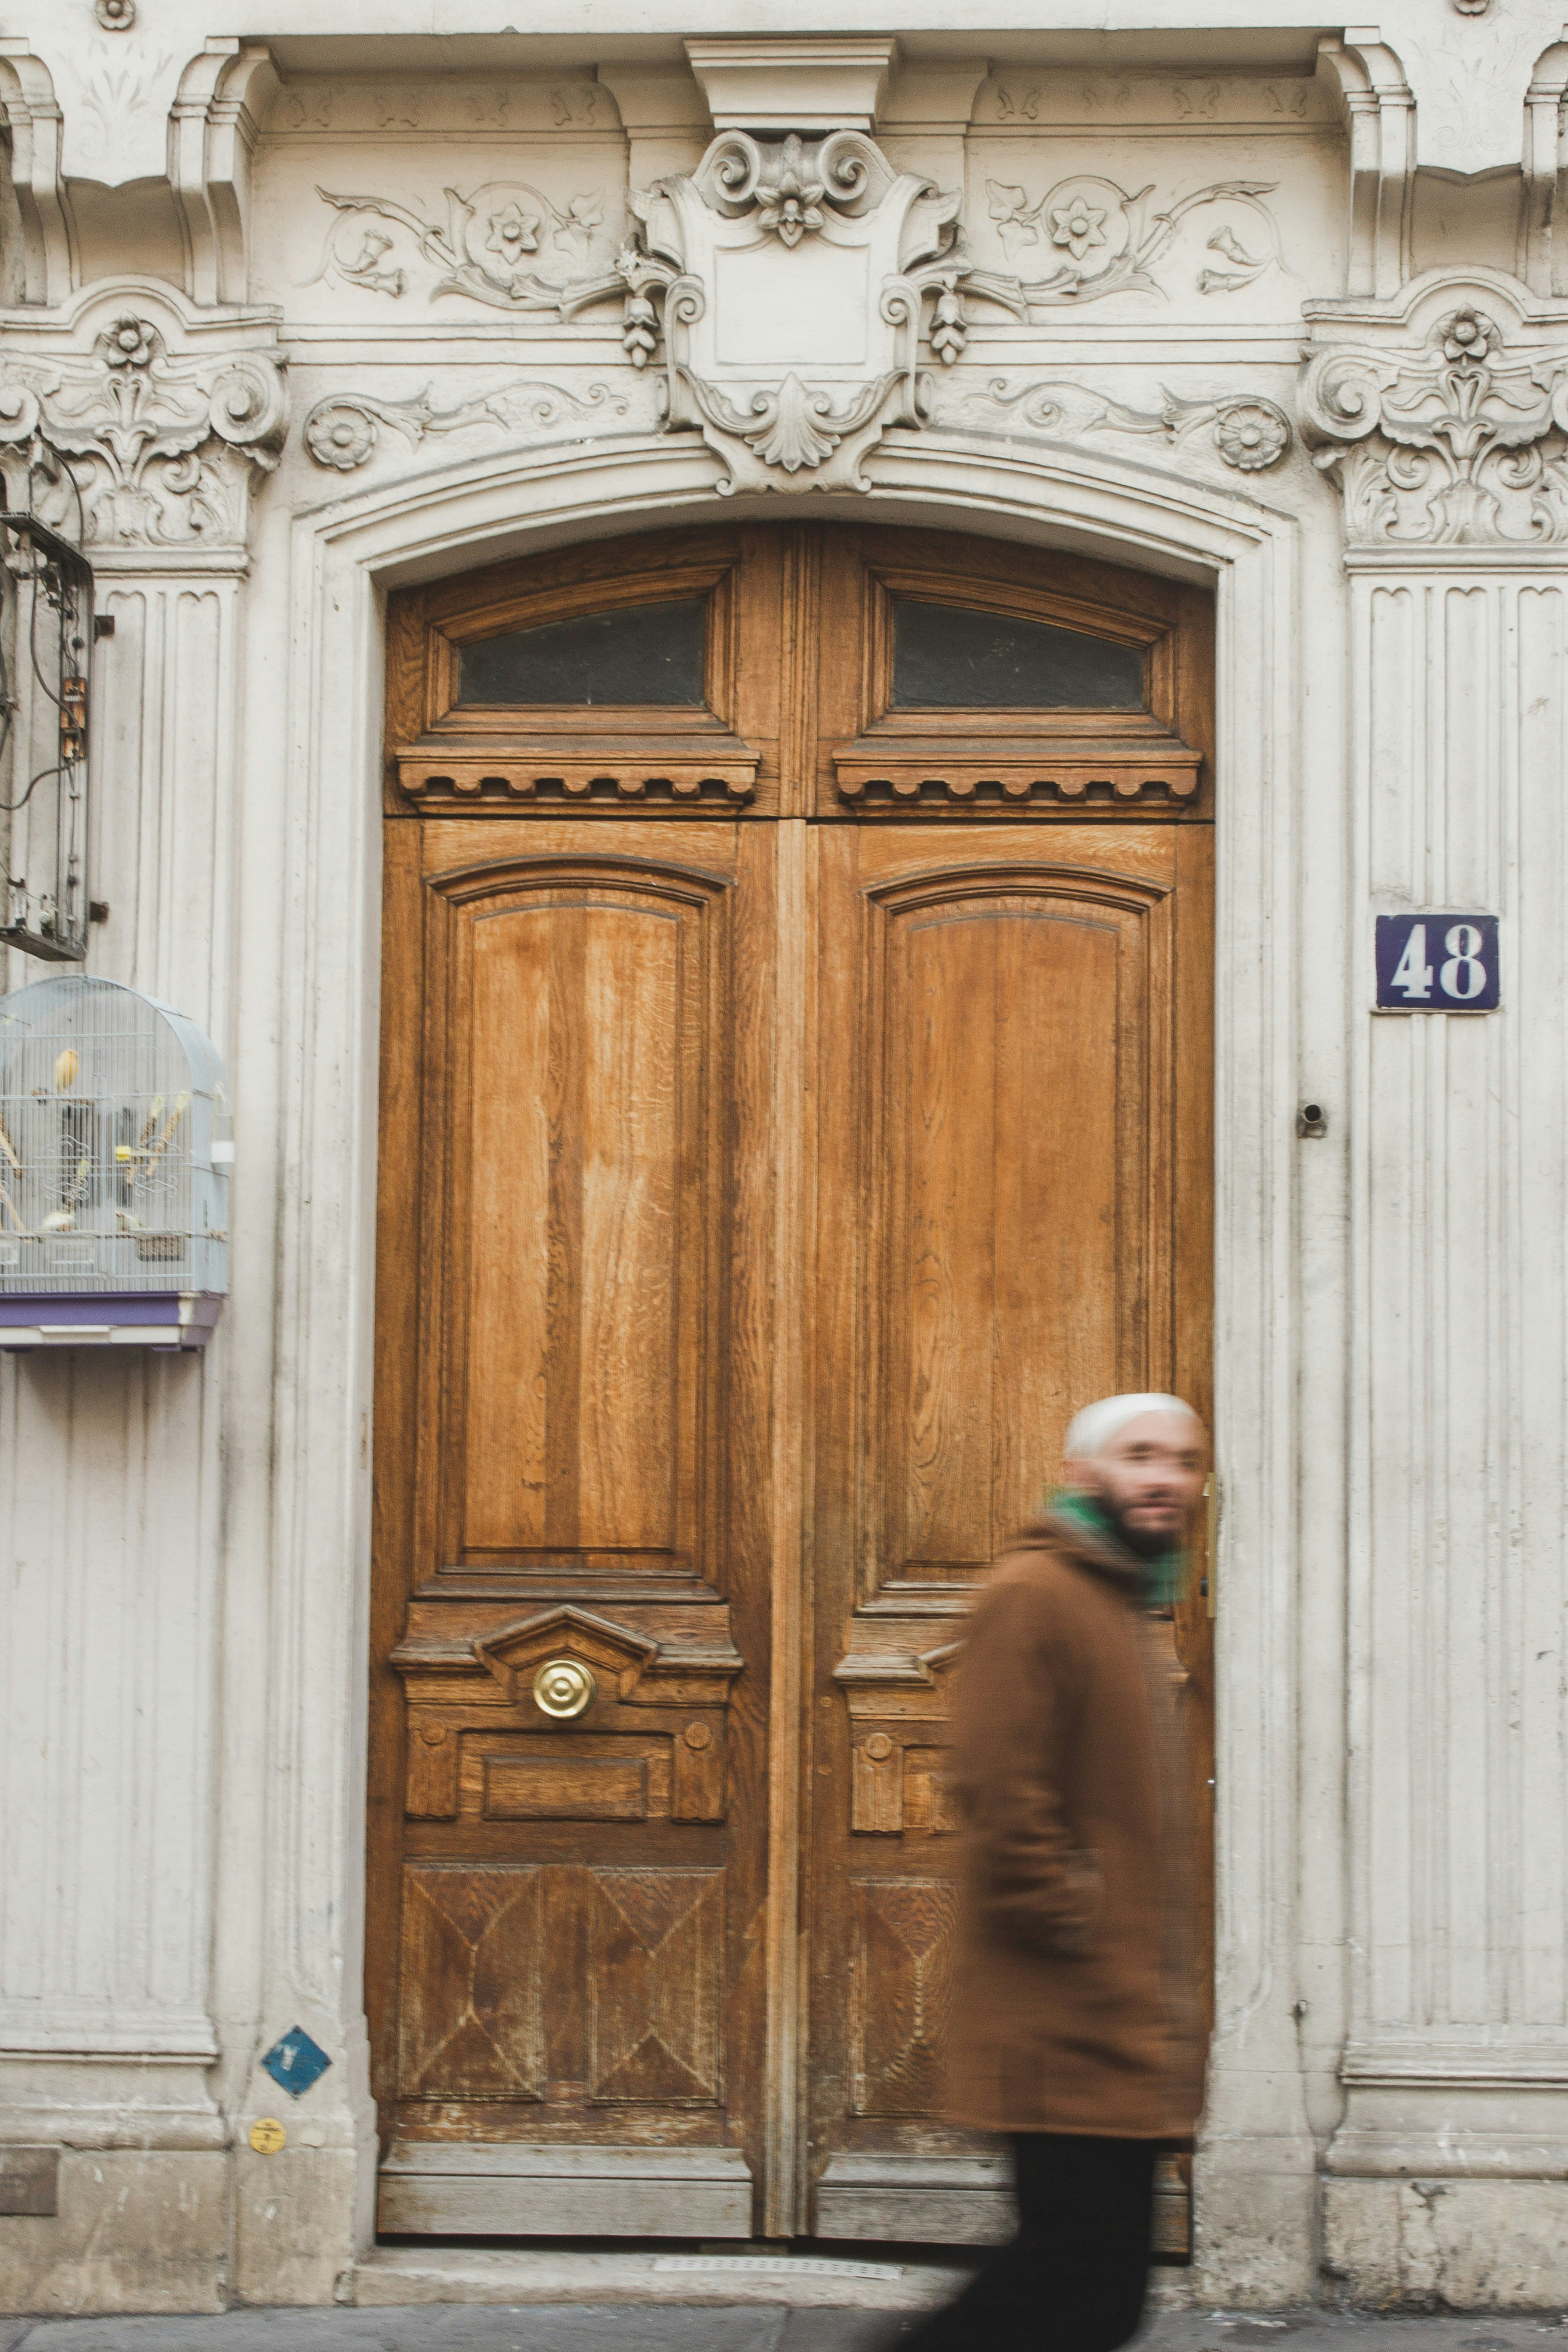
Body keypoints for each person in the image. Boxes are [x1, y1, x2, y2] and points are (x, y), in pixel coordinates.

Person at [901, 1393, 1211, 2352]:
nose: (1165, 1477)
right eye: (1140, 1455)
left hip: (1110, 2016)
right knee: (1069, 2282)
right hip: (1062, 2015)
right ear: (1081, 1474)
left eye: (1185, 1459)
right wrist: (1074, 1920)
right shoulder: (1036, 1591)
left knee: (1085, 2290)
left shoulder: (1117, 1598)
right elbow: (995, 1785)